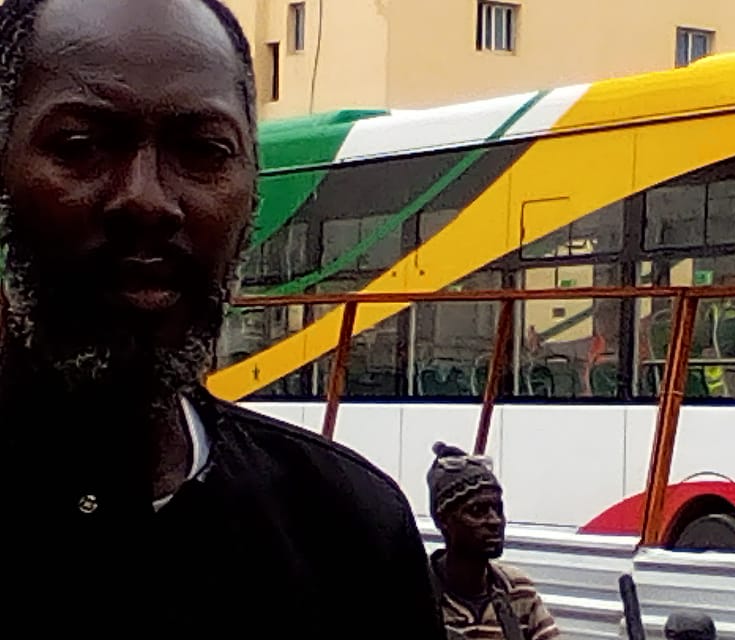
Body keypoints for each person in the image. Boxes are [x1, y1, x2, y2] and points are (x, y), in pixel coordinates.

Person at [0, 0, 445, 633]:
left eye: (204, 150)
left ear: (252, 191)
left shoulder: (350, 531)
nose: (147, 201)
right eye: (82, 145)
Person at [427, 442, 561, 640]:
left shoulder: (516, 589)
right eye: (476, 511)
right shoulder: (414, 591)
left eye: (497, 509)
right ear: (443, 520)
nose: (494, 521)